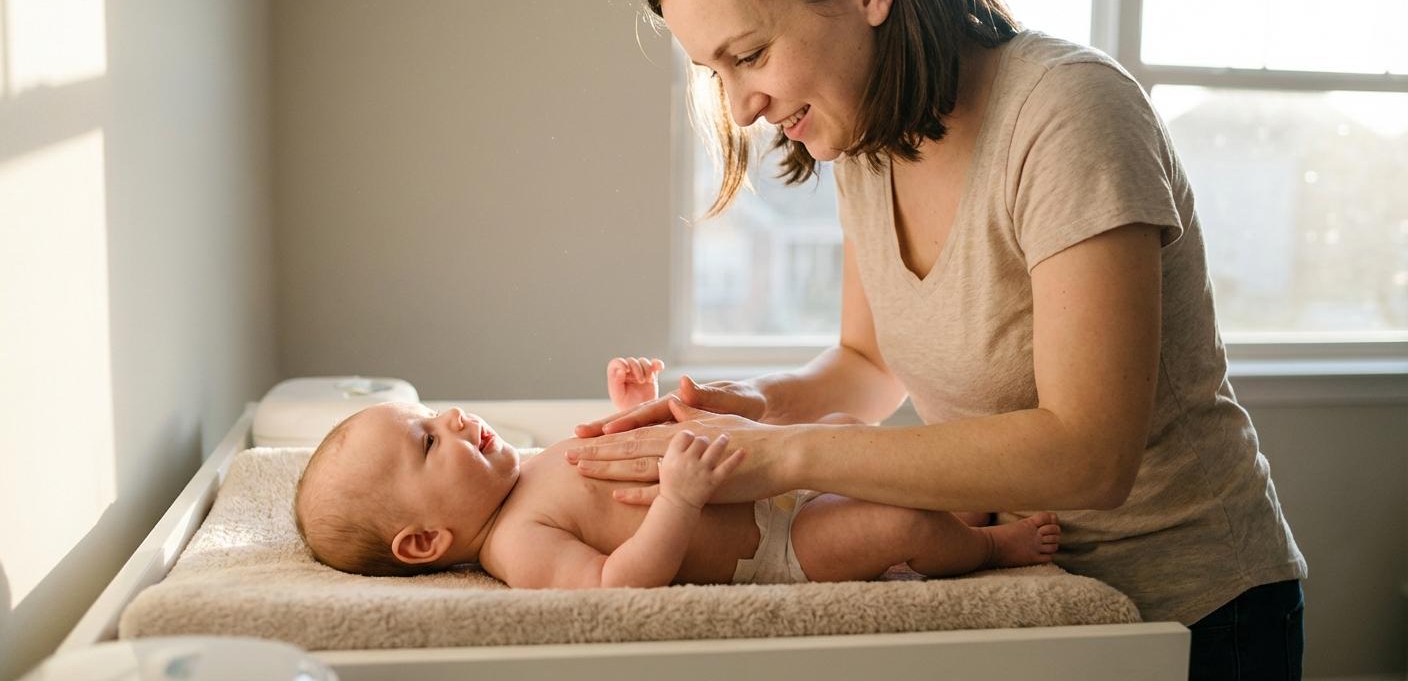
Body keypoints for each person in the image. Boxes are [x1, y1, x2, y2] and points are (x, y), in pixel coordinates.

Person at [566, 0, 1306, 677]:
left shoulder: (1069, 114)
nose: (741, 106)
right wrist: (750, 407)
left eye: (749, 55)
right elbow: (867, 363)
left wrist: (786, 455)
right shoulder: (866, 136)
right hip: (1033, 594)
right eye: (714, 73)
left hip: (1198, 614)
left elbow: (1090, 456)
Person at [292, 359, 1061, 587]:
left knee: (844, 431)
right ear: (425, 541)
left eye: (434, 413)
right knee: (897, 527)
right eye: (429, 443)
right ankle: (988, 549)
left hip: (768, 482)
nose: (453, 419)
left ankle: (964, 508)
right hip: (775, 546)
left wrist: (628, 407)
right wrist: (680, 502)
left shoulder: (523, 474)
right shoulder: (517, 544)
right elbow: (618, 587)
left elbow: (602, 459)